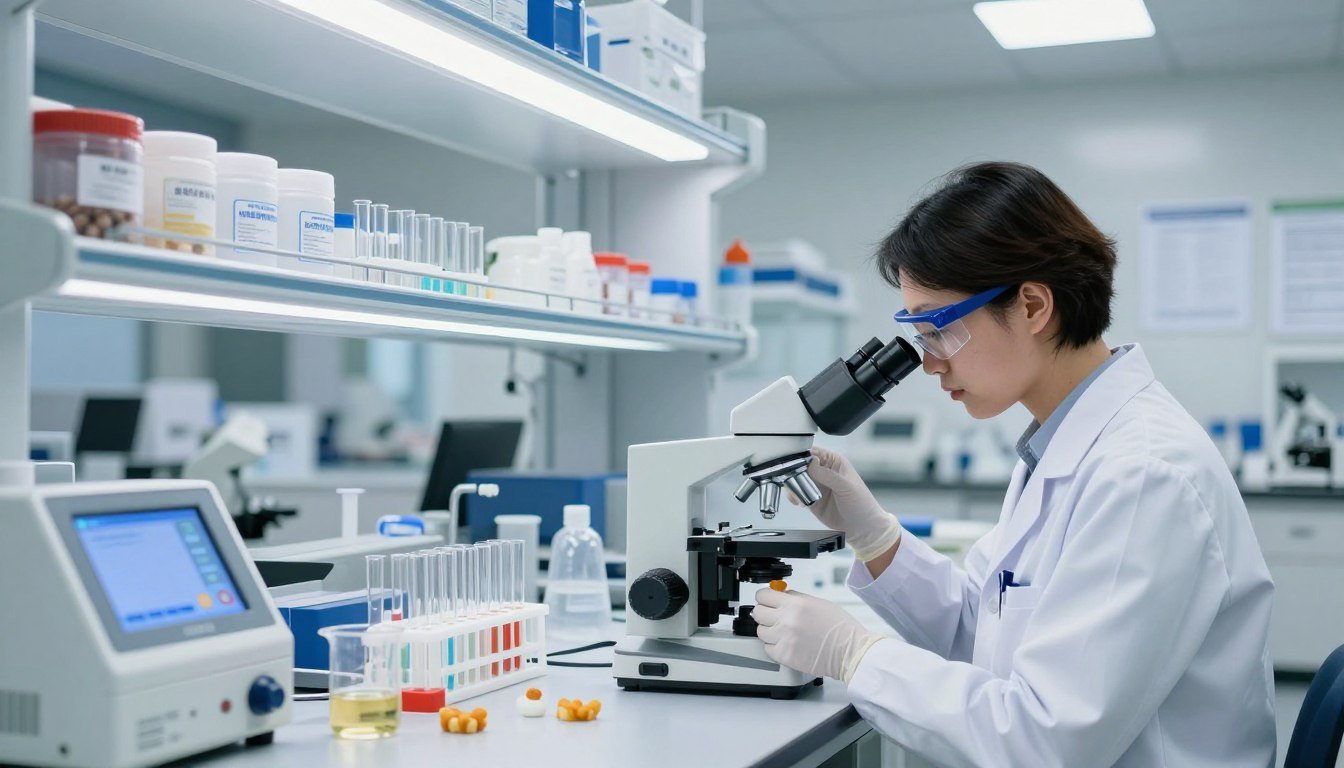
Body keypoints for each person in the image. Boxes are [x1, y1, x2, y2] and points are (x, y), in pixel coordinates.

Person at [752, 162, 1276, 767]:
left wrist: (856, 657)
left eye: (938, 330)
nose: (929, 364)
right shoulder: (1060, 445)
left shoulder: (1143, 476)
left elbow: (1046, 740)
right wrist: (875, 538)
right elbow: (988, 628)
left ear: (1031, 305)